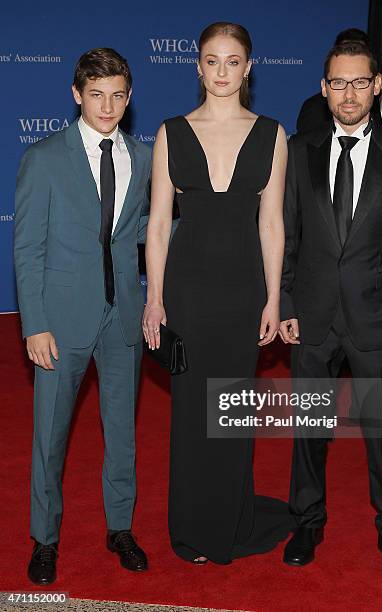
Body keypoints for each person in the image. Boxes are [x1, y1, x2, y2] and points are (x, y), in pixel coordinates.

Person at [280, 42, 382, 578]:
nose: (348, 93)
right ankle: (307, 519)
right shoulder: (299, 148)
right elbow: (289, 237)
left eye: (358, 82)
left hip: (380, 316)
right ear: (324, 89)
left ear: (377, 86)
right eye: (337, 83)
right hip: (313, 315)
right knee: (310, 428)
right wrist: (284, 301)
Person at [143, 21, 292, 564]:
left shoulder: (273, 134)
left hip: (242, 291)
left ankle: (229, 520)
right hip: (187, 290)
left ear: (249, 67)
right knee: (190, 413)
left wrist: (273, 299)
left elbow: (271, 225)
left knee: (230, 411)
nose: (223, 72)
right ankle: (192, 529)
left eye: (233, 61)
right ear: (198, 65)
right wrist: (154, 299)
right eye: (213, 60)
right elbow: (158, 225)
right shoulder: (170, 132)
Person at [14, 48, 151, 585]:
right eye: (97, 94)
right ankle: (44, 538)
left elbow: (141, 234)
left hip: (123, 320)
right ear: (77, 95)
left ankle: (121, 528)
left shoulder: (142, 158)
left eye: (118, 95)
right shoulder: (45, 158)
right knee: (50, 436)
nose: (108, 105)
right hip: (60, 321)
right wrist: (34, 324)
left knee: (122, 433)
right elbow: (27, 249)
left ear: (129, 96)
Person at [296, 28, 370, 134]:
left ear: (377, 84)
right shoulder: (313, 109)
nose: (349, 95)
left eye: (360, 82)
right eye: (339, 82)